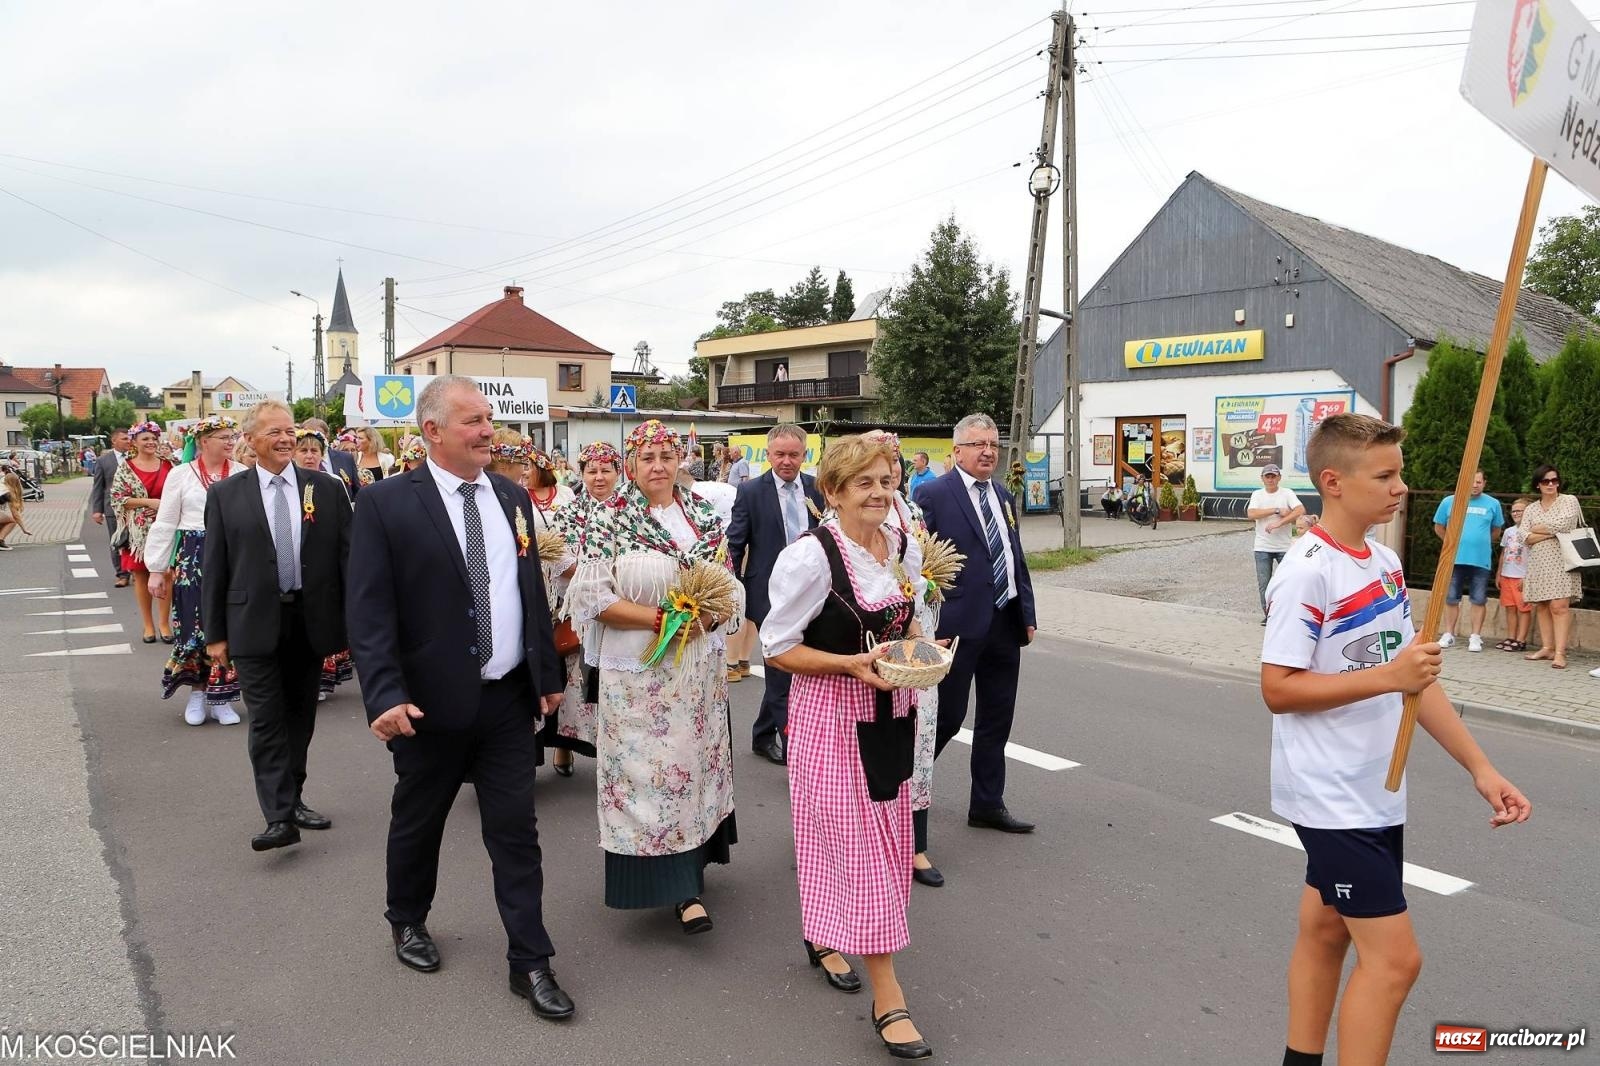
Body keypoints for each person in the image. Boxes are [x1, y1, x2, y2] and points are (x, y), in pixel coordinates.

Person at [1259, 412, 1530, 1066]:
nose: (1400, 486)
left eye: (1399, 472)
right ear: (1334, 482)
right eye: (1384, 475)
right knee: (1396, 963)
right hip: (1331, 797)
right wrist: (1389, 675)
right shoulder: (1307, 571)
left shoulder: (1381, 562)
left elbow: (1416, 681)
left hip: (1376, 789)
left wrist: (1480, 767)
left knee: (1326, 931)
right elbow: (1278, 688)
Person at [347, 376, 573, 1020]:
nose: (489, 431)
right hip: (427, 706)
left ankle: (530, 961)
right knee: (419, 821)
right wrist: (383, 695)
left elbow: (529, 591)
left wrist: (546, 674)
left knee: (515, 832)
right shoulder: (387, 504)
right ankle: (407, 918)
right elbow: (369, 610)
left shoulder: (510, 496)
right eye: (473, 420)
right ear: (432, 432)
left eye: (490, 418)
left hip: (505, 701)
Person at [762, 433, 934, 1061]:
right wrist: (850, 664)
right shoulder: (809, 558)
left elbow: (907, 616)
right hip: (832, 714)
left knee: (882, 838)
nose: (880, 495)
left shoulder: (904, 545)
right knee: (854, 842)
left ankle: (823, 931)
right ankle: (888, 994)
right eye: (864, 484)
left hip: (893, 709)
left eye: (887, 482)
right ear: (831, 492)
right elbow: (777, 649)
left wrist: (920, 647)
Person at [566, 419, 740, 934]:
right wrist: (661, 620)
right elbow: (594, 599)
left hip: (696, 673)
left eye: (667, 456)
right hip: (639, 678)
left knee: (695, 769)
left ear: (678, 461)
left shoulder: (703, 514)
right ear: (632, 465)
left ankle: (693, 871)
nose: (659, 466)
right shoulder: (609, 517)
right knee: (650, 778)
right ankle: (672, 887)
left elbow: (724, 583)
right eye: (647, 458)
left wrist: (706, 618)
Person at [202, 401, 351, 852]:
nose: (286, 439)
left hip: (310, 620)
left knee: (299, 717)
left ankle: (295, 796)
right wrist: (215, 635)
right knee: (266, 720)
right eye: (274, 432)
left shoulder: (325, 489)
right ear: (250, 439)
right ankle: (279, 816)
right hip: (251, 624)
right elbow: (216, 566)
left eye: (290, 430)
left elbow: (349, 559)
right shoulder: (227, 495)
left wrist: (356, 624)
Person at [919, 413, 1037, 843]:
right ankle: (903, 796)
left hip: (1004, 623)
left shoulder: (1003, 495)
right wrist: (926, 624)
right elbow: (918, 563)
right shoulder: (933, 494)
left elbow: (1013, 556)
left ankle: (987, 804)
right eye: (978, 444)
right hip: (956, 626)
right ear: (958, 451)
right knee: (946, 718)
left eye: (993, 444)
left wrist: (1027, 613)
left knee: (996, 719)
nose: (989, 451)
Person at [728, 424, 825, 765]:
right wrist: (730, 589)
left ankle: (762, 733)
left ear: (804, 455)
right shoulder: (751, 491)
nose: (786, 461)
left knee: (788, 668)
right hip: (769, 591)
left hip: (813, 592)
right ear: (768, 455)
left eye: (793, 454)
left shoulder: (818, 489)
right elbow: (735, 543)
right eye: (779, 454)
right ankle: (797, 749)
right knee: (781, 666)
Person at [144, 416, 243, 727]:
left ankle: (223, 695)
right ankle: (198, 692)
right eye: (223, 437)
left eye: (232, 436)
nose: (230, 442)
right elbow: (165, 521)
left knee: (228, 623)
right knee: (194, 622)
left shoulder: (241, 473)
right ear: (203, 442)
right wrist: (157, 569)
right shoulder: (181, 475)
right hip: (194, 554)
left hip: (231, 555)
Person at [543, 441, 622, 774]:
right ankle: (566, 746)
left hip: (622, 607)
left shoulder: (632, 511)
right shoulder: (569, 512)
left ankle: (616, 754)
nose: (599, 477)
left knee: (616, 684)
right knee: (576, 681)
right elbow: (559, 559)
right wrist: (601, 574)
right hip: (579, 609)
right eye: (592, 471)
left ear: (619, 473)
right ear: (582, 473)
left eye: (606, 470)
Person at [293, 429, 355, 702]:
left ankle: (320, 678)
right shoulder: (287, 483)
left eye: (314, 451)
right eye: (303, 450)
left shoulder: (331, 483)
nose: (309, 456)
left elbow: (344, 525)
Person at [110, 422, 174, 643]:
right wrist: (149, 502)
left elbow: (181, 493)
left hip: (166, 527)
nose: (151, 442)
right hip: (137, 532)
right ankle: (148, 625)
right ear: (135, 442)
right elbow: (118, 498)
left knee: (166, 574)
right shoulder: (126, 468)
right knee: (141, 576)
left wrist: (164, 506)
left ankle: (165, 623)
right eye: (145, 438)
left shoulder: (169, 465)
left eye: (154, 438)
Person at [1519, 464, 1585, 671]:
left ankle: (1560, 653)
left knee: (1559, 606)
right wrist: (1550, 531)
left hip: (1563, 560)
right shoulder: (1530, 508)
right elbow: (1524, 535)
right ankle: (1547, 647)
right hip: (1538, 562)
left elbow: (1566, 524)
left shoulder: (1569, 500)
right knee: (1542, 605)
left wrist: (1538, 531)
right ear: (1538, 484)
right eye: (1546, 481)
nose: (1551, 484)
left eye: (1554, 480)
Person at [1431, 470, 1504, 653]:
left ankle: (1475, 637)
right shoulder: (1449, 501)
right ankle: (1449, 634)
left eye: (1478, 482)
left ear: (1484, 483)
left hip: (1480, 561)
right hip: (1453, 559)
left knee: (1478, 599)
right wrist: (1451, 543)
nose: (1474, 485)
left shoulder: (1493, 504)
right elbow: (1439, 526)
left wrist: (1479, 542)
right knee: (1450, 598)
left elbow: (1496, 531)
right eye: (1471, 482)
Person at [1248, 465, 1306, 625]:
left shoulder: (1287, 493)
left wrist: (1280, 523)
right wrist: (1276, 510)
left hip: (1284, 547)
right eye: (1268, 476)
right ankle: (1269, 615)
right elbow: (1251, 514)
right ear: (1262, 478)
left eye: (1274, 476)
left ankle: (1289, 614)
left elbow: (1300, 510)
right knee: (1264, 584)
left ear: (1279, 478)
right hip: (1262, 547)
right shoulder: (1257, 495)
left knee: (1289, 582)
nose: (1271, 479)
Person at [90, 429, 130, 586]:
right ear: (114, 441)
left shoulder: (136, 457)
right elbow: (98, 486)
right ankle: (122, 574)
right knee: (117, 540)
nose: (128, 441)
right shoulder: (103, 461)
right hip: (113, 507)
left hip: (136, 506)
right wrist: (97, 510)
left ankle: (136, 569)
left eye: (129, 438)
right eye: (124, 438)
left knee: (136, 539)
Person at [1495, 498, 1533, 653]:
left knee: (1523, 608)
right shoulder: (1509, 531)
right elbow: (1504, 553)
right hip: (1507, 575)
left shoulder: (1531, 532)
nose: (1516, 513)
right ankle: (1511, 637)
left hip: (1521, 576)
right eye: (1514, 511)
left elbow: (1534, 556)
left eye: (1520, 510)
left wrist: (1528, 577)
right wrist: (1499, 573)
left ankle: (1521, 639)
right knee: (1510, 608)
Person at [301, 417, 360, 496]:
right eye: (308, 435)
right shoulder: (296, 461)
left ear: (327, 436)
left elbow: (356, 491)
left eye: (318, 435)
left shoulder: (346, 458)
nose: (313, 439)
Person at [0, 466, 30, 550]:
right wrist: (24, 529)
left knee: (4, 521)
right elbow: (15, 515)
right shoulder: (8, 493)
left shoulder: (2, 485)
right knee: (12, 521)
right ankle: (0, 541)